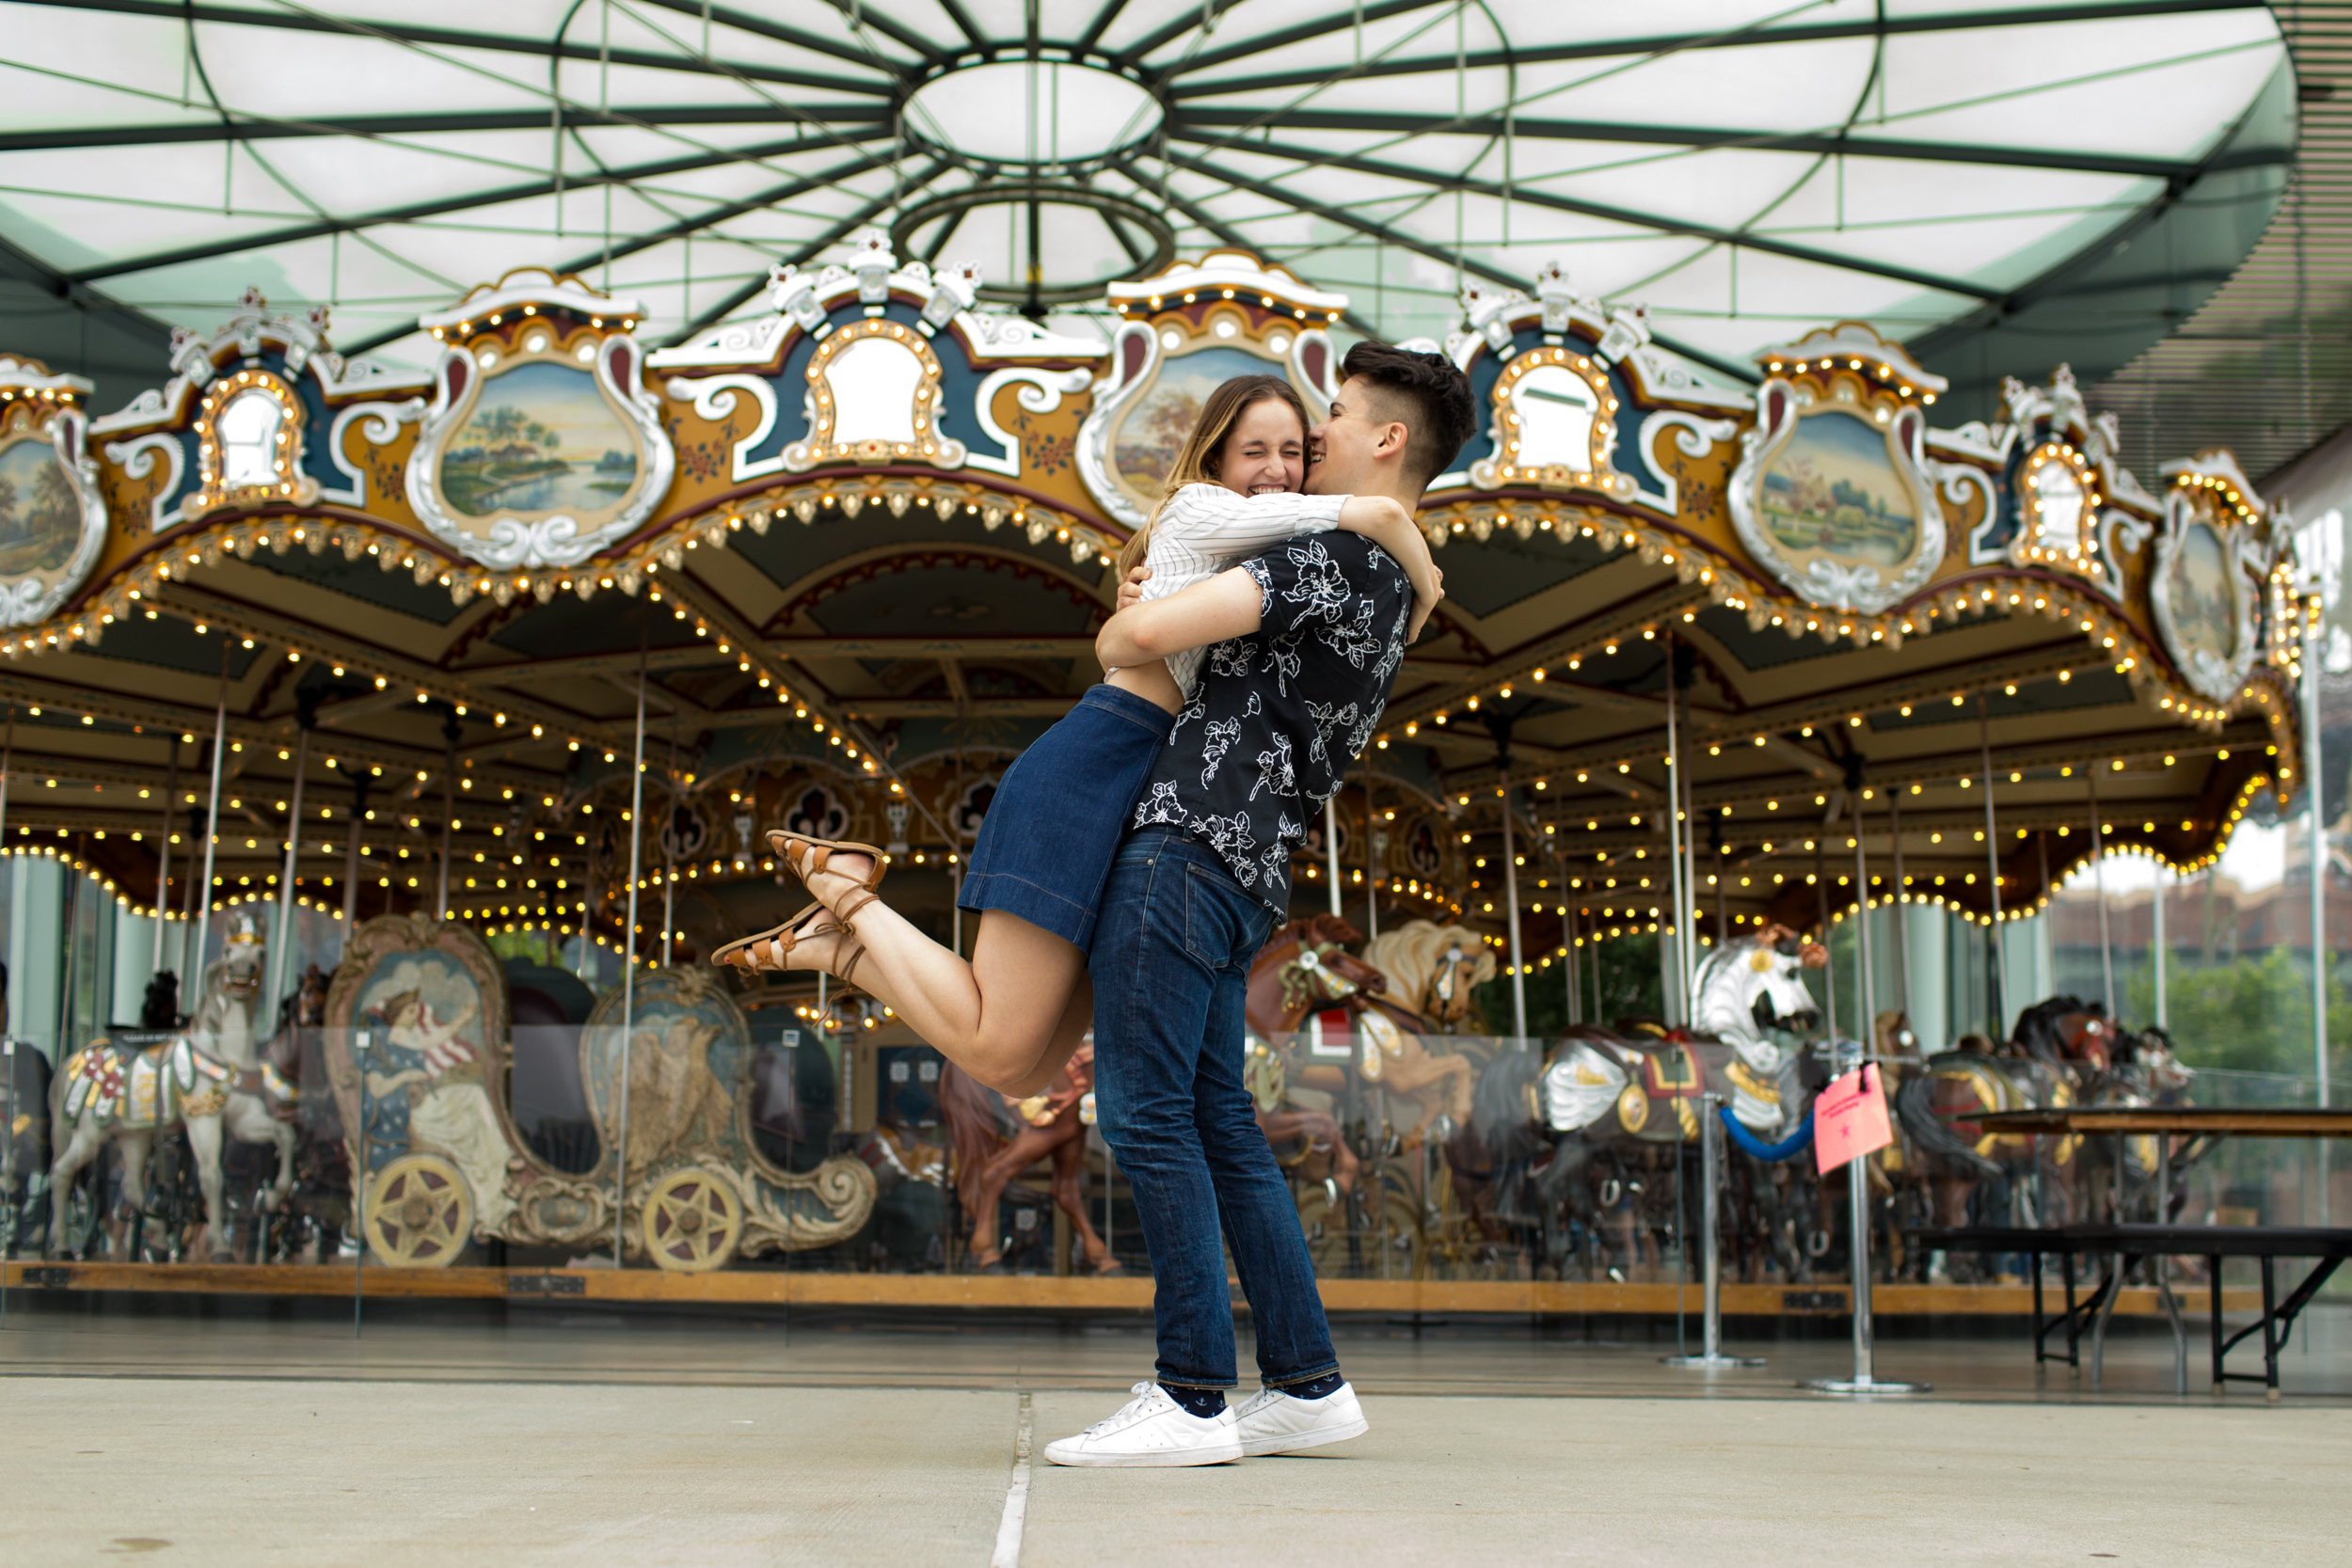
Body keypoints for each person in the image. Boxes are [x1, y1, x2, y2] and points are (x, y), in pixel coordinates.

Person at [712, 374, 1442, 1100]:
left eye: (1294, 450)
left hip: (1144, 797)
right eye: (1255, 450)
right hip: (1097, 763)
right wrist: (1423, 585)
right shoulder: (1204, 507)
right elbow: (1370, 514)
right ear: (1215, 458)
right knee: (998, 1052)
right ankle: (850, 893)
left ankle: (839, 948)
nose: (1278, 470)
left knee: (1025, 1071)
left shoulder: (1263, 547)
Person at [1039, 341, 1475, 1467]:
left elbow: (1134, 640)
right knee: (1223, 1125)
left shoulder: (1332, 554)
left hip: (1183, 844)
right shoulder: (1381, 574)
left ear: (1385, 438)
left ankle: (1190, 1393)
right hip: (1249, 870)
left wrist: (1133, 612)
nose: (1314, 434)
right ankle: (1305, 1380)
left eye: (1332, 415)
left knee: (1143, 1115)